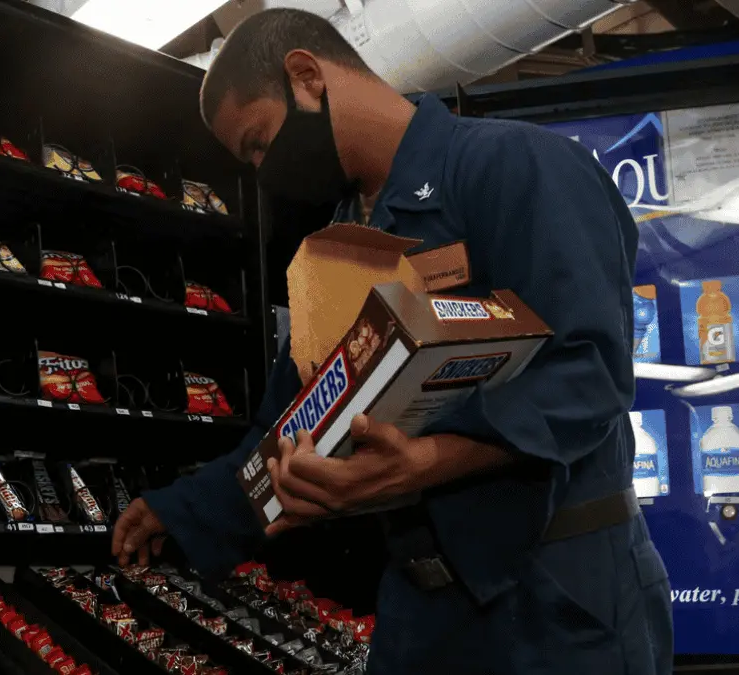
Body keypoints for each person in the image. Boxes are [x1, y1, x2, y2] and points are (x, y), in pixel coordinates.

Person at [113, 8, 673, 674]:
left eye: (260, 142)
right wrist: (179, 511)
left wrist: (425, 462)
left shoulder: (516, 166)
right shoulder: (334, 252)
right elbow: (291, 428)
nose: (263, 171)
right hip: (418, 610)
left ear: (307, 77)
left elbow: (588, 373)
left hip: (556, 602)